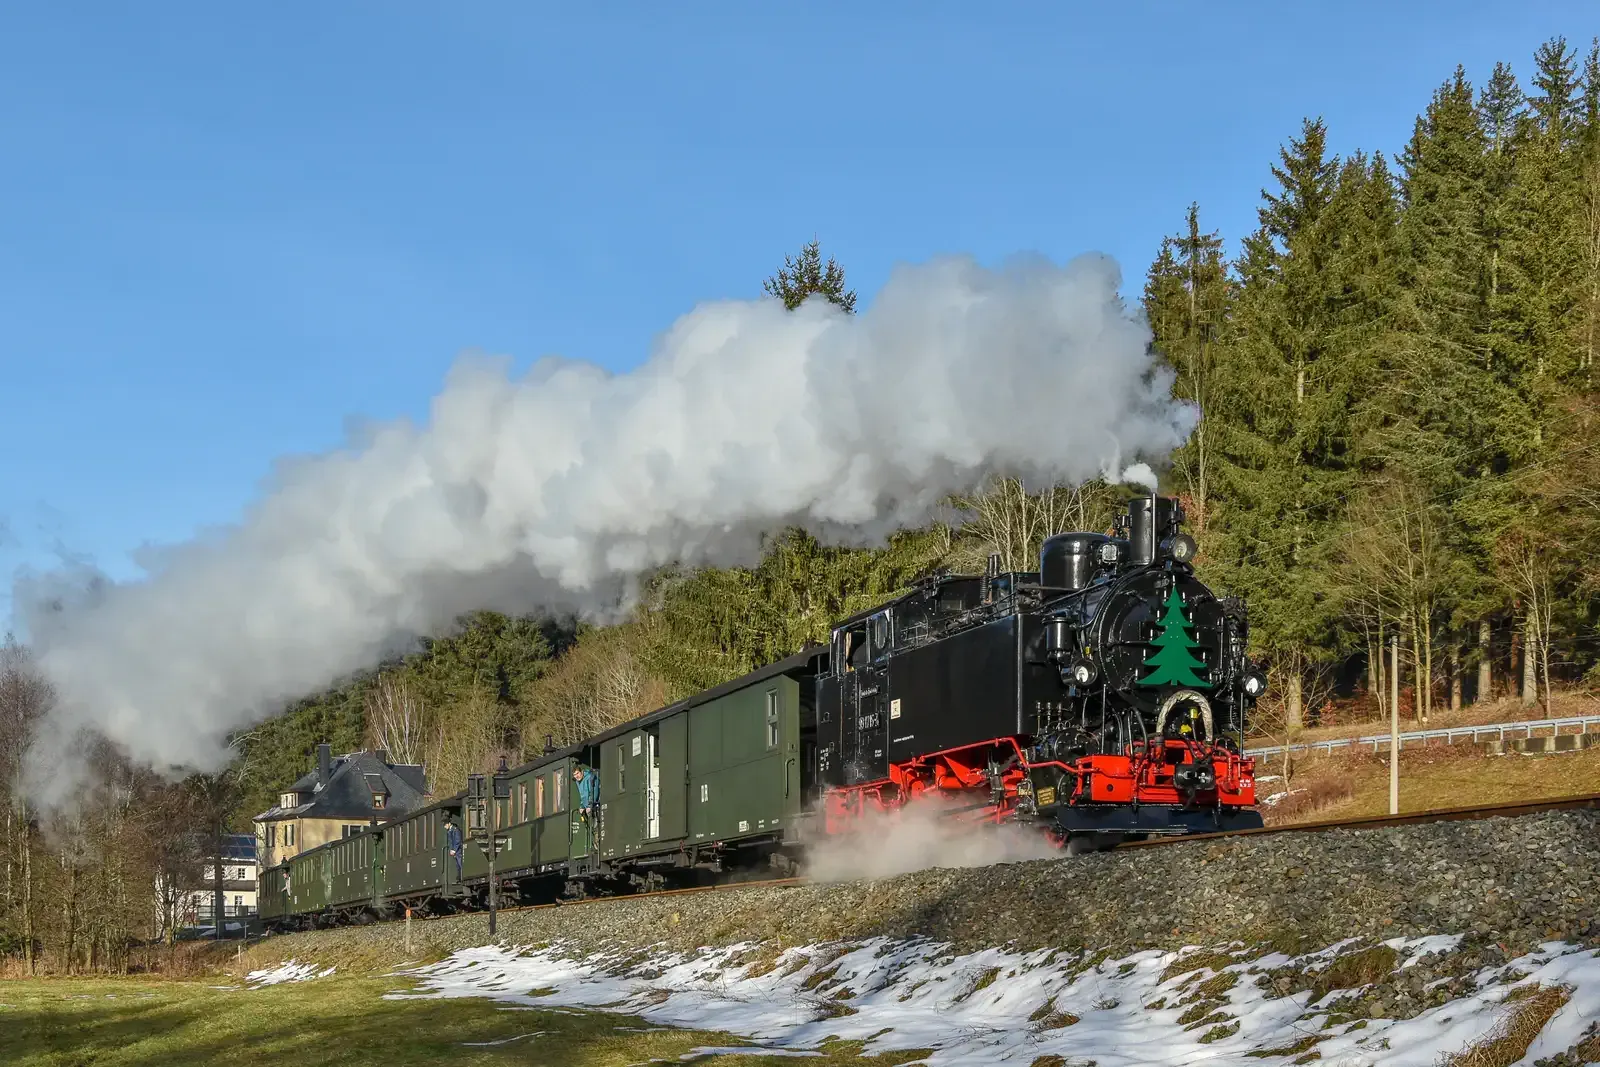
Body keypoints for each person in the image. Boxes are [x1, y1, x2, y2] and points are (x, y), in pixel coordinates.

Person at [445, 815, 463, 880]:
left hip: (458, 850)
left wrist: (454, 850)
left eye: (445, 825)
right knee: (457, 865)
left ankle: (461, 877)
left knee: (460, 863)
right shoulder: (450, 831)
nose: (445, 827)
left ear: (449, 824)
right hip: (455, 851)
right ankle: (459, 877)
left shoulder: (455, 830)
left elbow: (457, 840)